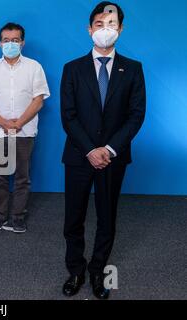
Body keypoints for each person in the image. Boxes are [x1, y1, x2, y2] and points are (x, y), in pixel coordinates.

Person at [60, 2, 146, 299]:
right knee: (74, 216)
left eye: (111, 24)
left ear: (120, 29)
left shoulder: (133, 69)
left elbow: (136, 115)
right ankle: (75, 269)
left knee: (107, 217)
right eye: (99, 24)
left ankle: (98, 271)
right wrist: (90, 150)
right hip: (78, 155)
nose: (105, 29)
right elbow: (68, 115)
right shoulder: (72, 69)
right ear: (89, 29)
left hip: (113, 156)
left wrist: (108, 149)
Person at [0, 23, 50, 233]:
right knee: (0, 176)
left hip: (24, 132)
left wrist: (19, 123)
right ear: (0, 43)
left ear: (22, 42)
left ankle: (18, 217)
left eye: (15, 40)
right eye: (6, 40)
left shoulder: (34, 67)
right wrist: (5, 123)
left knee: (22, 177)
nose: (10, 44)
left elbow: (39, 100)